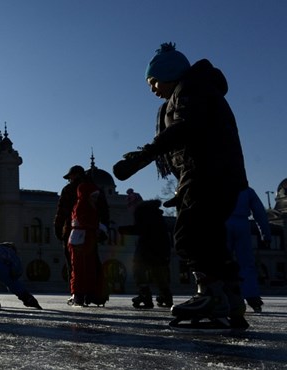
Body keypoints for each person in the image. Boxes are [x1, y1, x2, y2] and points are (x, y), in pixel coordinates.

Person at [113, 42, 250, 331]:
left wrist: (143, 156)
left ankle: (212, 296)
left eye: (153, 81)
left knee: (189, 237)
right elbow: (192, 138)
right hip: (218, 176)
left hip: (208, 175)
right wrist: (182, 189)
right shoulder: (197, 91)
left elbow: (184, 130)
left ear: (169, 73)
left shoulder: (191, 91)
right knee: (210, 240)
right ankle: (230, 297)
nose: (152, 89)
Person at [118, 199, 173, 309]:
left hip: (147, 249)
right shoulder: (157, 215)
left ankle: (145, 295)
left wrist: (123, 230)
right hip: (161, 249)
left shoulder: (143, 213)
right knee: (159, 273)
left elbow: (142, 228)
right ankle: (165, 296)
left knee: (138, 270)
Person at [226, 187, 271, 313]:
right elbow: (259, 212)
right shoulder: (246, 190)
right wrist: (265, 234)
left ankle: (224, 294)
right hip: (242, 224)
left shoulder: (218, 185)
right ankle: (252, 296)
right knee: (246, 263)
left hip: (222, 223)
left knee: (222, 262)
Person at [66, 176, 108, 307]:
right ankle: (78, 294)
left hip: (86, 239)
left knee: (88, 268)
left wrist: (98, 228)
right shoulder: (81, 205)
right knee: (79, 268)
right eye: (93, 196)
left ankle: (88, 293)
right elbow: (84, 221)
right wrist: (98, 227)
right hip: (80, 240)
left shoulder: (90, 205)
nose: (95, 199)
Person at [53, 165, 85, 292]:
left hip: (72, 230)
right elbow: (103, 210)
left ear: (74, 175)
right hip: (91, 231)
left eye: (70, 177)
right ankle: (94, 292)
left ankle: (76, 291)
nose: (69, 180)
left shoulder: (69, 189)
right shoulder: (95, 188)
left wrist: (58, 228)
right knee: (89, 261)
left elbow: (62, 211)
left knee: (73, 262)